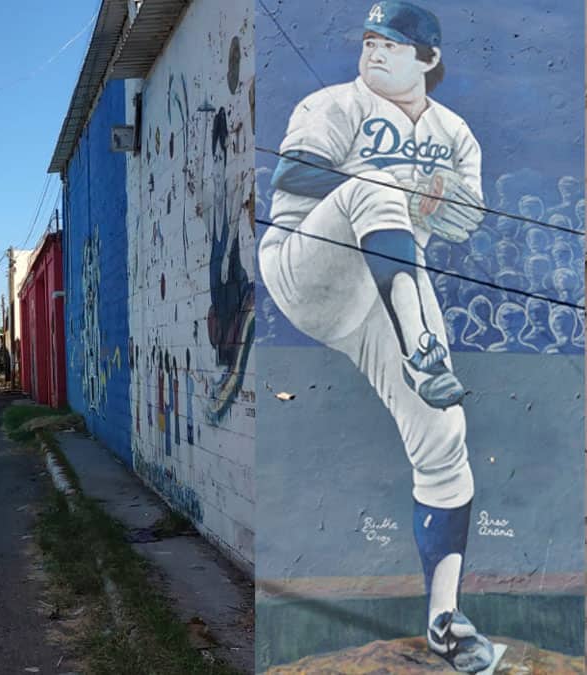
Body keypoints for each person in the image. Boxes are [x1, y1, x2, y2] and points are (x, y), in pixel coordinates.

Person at [259, 2, 499, 670]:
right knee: (373, 187)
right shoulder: (332, 103)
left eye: (391, 43)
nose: (374, 50)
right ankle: (424, 347)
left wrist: (436, 196)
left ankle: (445, 620)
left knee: (445, 435)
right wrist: (393, 180)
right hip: (307, 263)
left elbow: (466, 219)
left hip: (386, 291)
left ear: (429, 59)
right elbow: (292, 174)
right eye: (369, 39)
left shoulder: (455, 132)